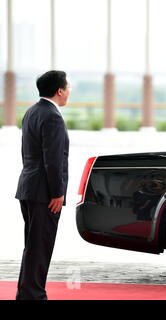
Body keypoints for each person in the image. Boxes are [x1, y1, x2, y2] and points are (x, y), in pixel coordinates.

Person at [15, 70, 71, 300]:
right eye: (67, 88)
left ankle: (27, 293)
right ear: (59, 91)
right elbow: (54, 159)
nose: (68, 92)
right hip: (44, 194)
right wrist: (57, 193)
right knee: (40, 247)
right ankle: (34, 295)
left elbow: (27, 153)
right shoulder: (53, 117)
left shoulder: (31, 112)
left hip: (28, 187)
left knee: (32, 246)